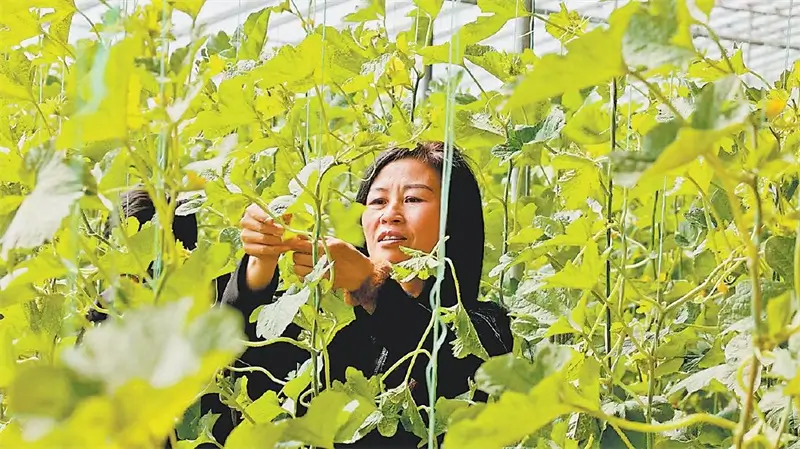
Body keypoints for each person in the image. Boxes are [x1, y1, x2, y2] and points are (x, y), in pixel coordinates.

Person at [207, 141, 513, 446]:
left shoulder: (484, 327)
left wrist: (369, 284)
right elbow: (233, 375)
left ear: (455, 219)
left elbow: (450, 364)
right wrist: (259, 268)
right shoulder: (322, 321)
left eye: (413, 198)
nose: (390, 214)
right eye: (378, 201)